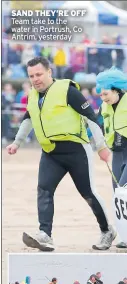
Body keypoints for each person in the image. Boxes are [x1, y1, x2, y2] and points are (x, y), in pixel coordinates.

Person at [6, 56, 115, 251]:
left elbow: (91, 118)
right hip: (50, 152)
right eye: (31, 76)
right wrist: (17, 143)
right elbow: (28, 119)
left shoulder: (68, 91)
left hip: (76, 151)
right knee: (44, 189)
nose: (35, 79)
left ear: (49, 72)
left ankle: (107, 231)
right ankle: (45, 235)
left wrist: (101, 147)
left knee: (88, 193)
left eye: (39, 74)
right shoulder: (32, 95)